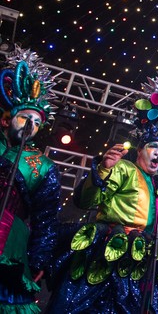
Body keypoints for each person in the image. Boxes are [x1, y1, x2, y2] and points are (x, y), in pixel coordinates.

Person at [46, 69, 158, 313]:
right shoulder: (124, 169)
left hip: (139, 257)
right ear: (140, 150)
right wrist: (102, 171)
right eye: (153, 146)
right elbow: (86, 201)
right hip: (110, 249)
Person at [0, 48, 61, 313]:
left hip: (9, 245)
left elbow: (46, 219)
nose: (31, 125)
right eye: (26, 117)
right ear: (7, 118)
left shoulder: (42, 166)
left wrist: (37, 261)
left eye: (37, 122)